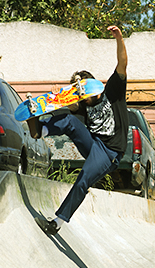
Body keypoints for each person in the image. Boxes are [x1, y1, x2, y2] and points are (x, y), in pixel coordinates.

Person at [30, 26, 128, 235]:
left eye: (82, 93)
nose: (81, 100)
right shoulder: (82, 105)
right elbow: (64, 110)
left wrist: (119, 39)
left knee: (83, 180)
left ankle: (57, 223)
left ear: (90, 87)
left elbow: (122, 64)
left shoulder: (112, 90)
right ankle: (40, 130)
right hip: (93, 145)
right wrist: (55, 99)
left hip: (110, 153)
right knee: (69, 120)